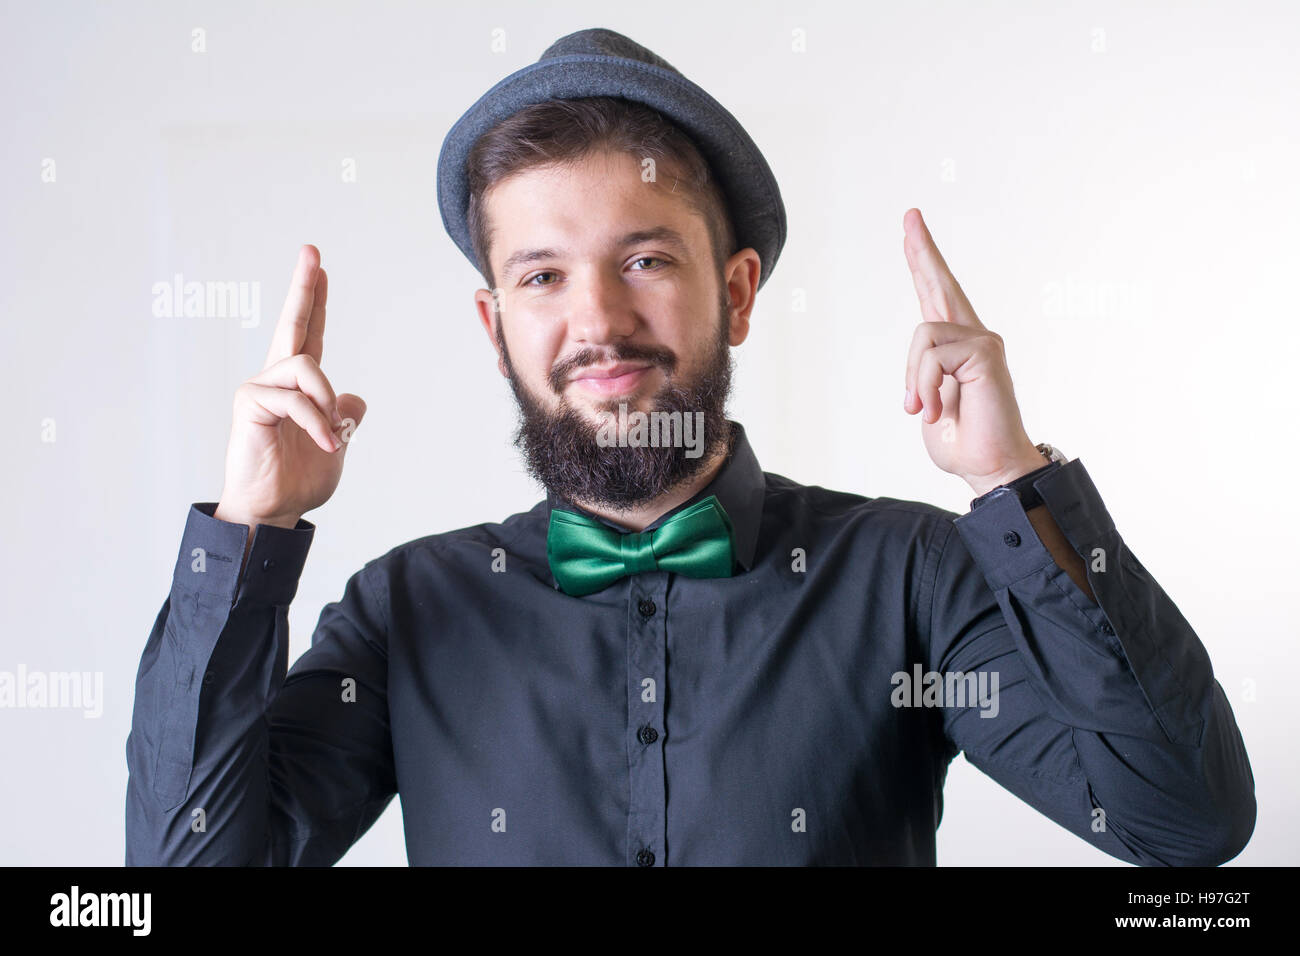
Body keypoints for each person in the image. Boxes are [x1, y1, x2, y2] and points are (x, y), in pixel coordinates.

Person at [125, 28, 1255, 866]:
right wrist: (248, 534)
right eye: (541, 276)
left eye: (646, 261)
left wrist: (1017, 484)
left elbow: (1182, 818)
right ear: (494, 323)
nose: (598, 322)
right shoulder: (404, 607)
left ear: (737, 290)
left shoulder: (910, 575)